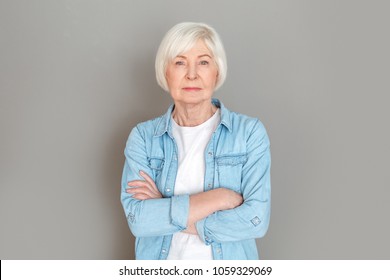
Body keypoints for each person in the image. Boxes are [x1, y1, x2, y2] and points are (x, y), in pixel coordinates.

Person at [121, 22, 271, 260]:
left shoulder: (249, 133)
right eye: (180, 62)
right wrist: (218, 198)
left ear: (217, 71)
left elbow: (255, 221)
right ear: (165, 72)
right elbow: (139, 221)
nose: (192, 74)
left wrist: (162, 206)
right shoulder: (143, 137)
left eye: (203, 62)